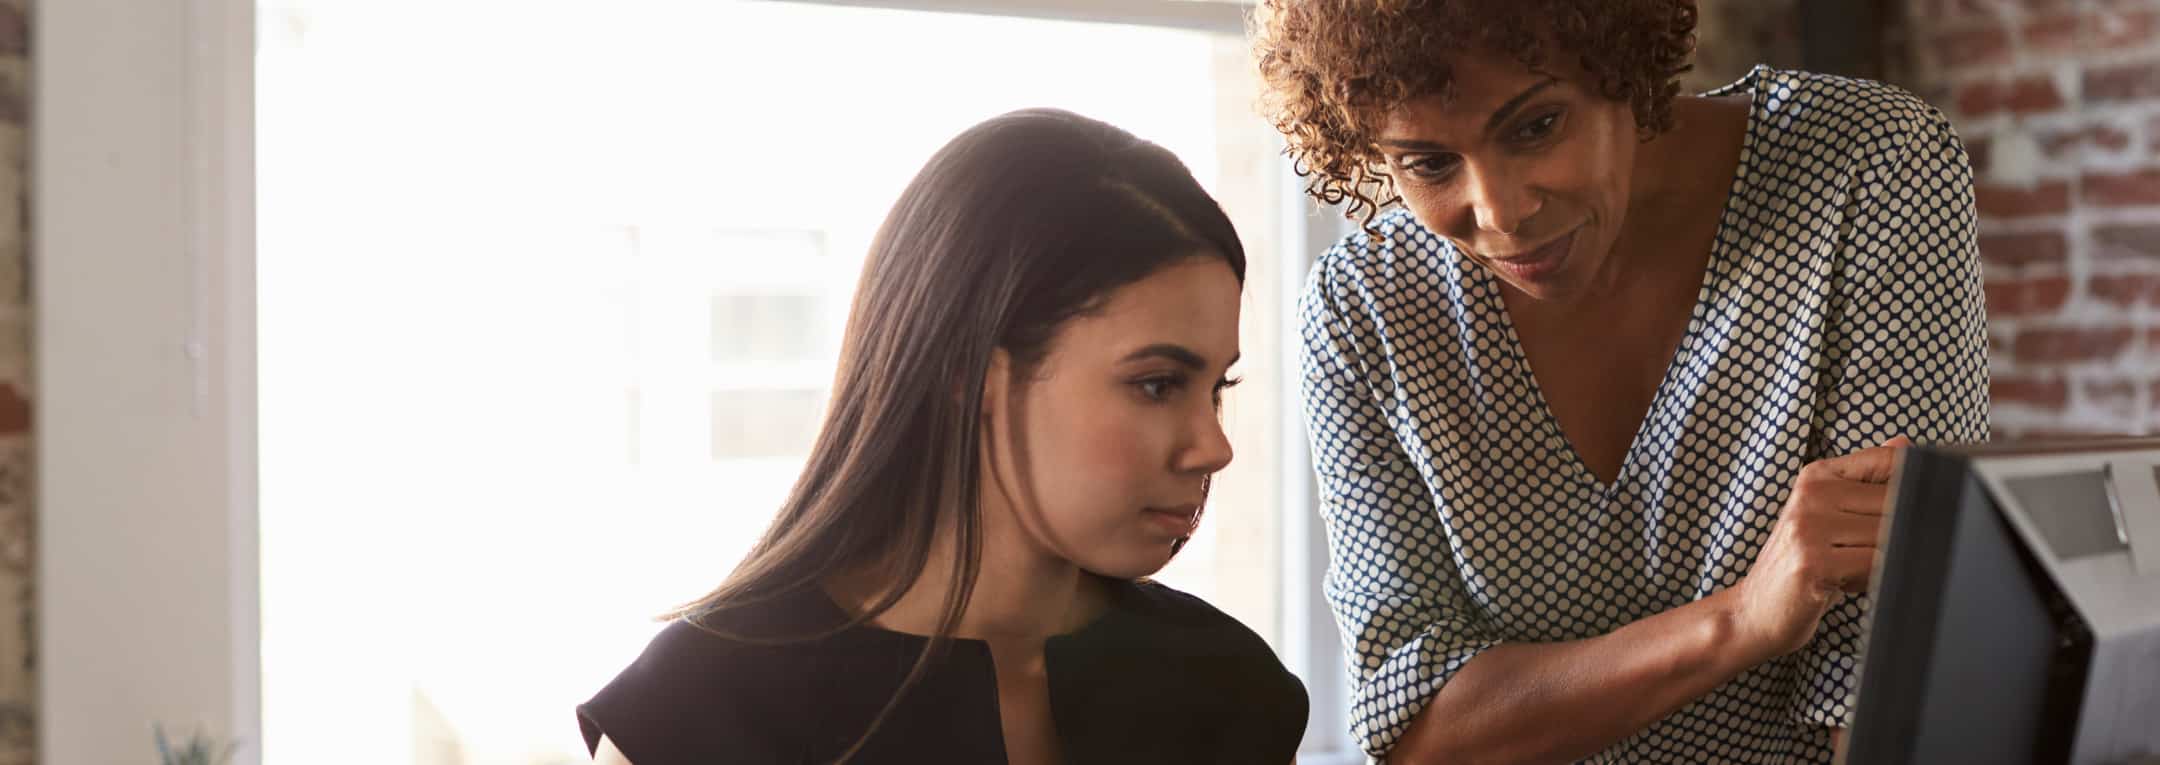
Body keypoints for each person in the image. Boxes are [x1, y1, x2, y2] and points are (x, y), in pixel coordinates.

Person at [1254, 1, 1988, 762]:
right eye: (1429, 163)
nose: (1502, 214)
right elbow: (1414, 726)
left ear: (1623, 64)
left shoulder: (1865, 166)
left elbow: (1893, 667)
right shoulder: (1366, 311)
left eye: (1536, 127)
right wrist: (1738, 621)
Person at [576, 108, 1308, 765]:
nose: (1215, 447)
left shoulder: (1232, 689)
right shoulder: (701, 711)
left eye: (1219, 388)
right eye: (1157, 384)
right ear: (969, 373)